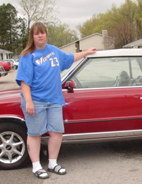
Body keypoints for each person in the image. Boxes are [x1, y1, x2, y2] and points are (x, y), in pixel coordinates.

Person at [16, 22, 97, 179]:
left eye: (43, 32)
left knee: (57, 132)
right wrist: (29, 101)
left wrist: (86, 52)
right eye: (36, 33)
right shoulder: (28, 55)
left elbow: (70, 57)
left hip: (54, 100)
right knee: (35, 133)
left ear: (46, 34)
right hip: (36, 100)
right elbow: (24, 81)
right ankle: (36, 166)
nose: (40, 35)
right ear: (32, 37)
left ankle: (52, 163)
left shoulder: (54, 51)